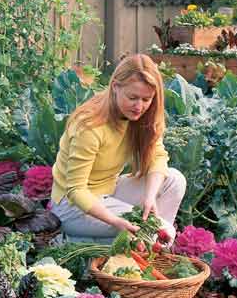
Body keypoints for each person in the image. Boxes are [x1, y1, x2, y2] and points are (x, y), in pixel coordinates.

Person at [50, 54, 186, 243]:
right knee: (153, 232)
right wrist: (116, 221)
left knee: (174, 180)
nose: (139, 106)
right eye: (133, 97)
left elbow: (158, 157)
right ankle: (84, 241)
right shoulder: (90, 126)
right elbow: (76, 190)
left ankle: (140, 245)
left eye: (147, 99)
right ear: (115, 87)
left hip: (109, 190)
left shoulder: (142, 118)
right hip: (73, 206)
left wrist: (149, 197)